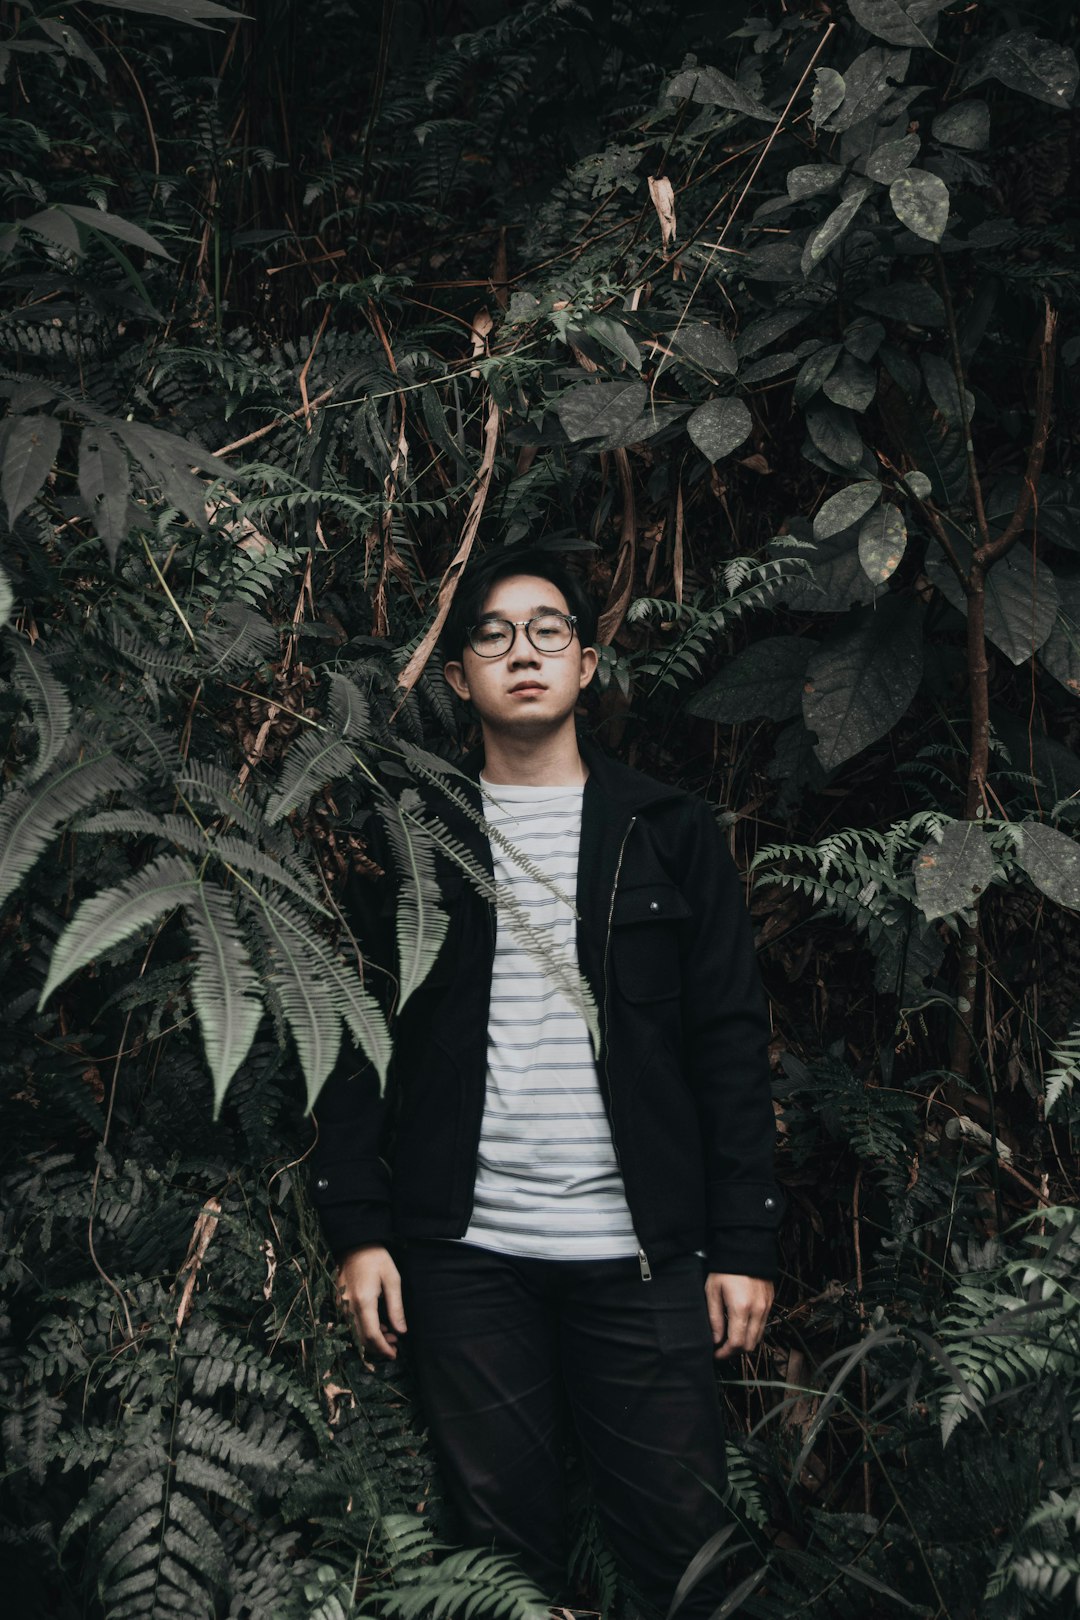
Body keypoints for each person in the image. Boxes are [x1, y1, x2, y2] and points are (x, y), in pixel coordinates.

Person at [310, 546, 783, 1616]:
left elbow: (727, 1038)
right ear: (457, 677)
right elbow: (348, 1034)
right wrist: (360, 1225)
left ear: (585, 663)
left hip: (646, 1255)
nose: (523, 652)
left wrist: (745, 1241)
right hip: (466, 1259)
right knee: (495, 1565)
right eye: (493, 633)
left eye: (549, 630)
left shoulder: (666, 833)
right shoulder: (413, 840)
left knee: (689, 1551)